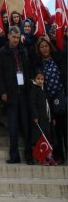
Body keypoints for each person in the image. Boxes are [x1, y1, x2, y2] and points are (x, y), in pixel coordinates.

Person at [0, 26, 34, 165]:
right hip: (11, 95)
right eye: (14, 37)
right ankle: (14, 156)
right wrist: (3, 92)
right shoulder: (2, 52)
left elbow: (28, 71)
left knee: (26, 126)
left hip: (23, 94)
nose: (16, 40)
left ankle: (29, 156)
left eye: (18, 38)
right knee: (12, 127)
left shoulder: (23, 51)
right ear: (8, 36)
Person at [34, 36, 67, 164]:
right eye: (42, 47)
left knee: (65, 128)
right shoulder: (39, 64)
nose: (44, 49)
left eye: (46, 46)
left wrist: (52, 39)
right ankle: (59, 156)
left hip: (62, 98)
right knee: (56, 130)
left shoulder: (57, 60)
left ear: (50, 47)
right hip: (49, 101)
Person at [29, 71, 57, 166]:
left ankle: (49, 157)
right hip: (39, 119)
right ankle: (41, 158)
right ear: (34, 79)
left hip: (47, 119)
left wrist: (52, 117)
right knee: (41, 138)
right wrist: (35, 116)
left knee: (49, 138)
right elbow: (32, 104)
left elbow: (49, 105)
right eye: (38, 79)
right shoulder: (34, 90)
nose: (40, 81)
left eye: (42, 79)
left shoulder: (44, 90)